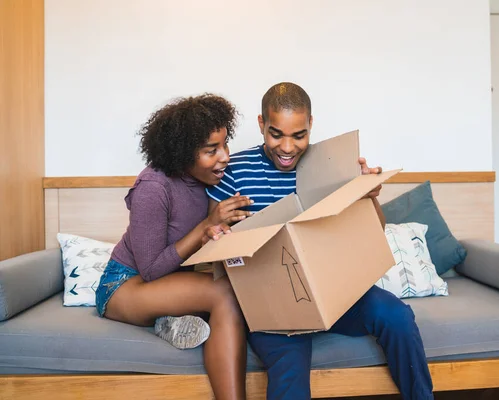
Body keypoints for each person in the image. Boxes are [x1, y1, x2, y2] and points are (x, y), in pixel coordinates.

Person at [206, 82, 434, 400]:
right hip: (272, 302)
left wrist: (365, 194)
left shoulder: (331, 165)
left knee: (397, 316)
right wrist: (220, 231)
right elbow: (214, 249)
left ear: (311, 125)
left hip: (334, 289)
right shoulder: (232, 172)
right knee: (290, 363)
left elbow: (375, 230)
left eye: (299, 135)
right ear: (261, 124)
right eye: (276, 134)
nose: (287, 147)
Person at [96, 94, 252, 400]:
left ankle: (168, 322)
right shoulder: (153, 188)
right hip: (125, 285)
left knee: (237, 284)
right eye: (211, 150)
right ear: (183, 153)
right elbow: (151, 270)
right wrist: (204, 227)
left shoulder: (211, 180)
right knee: (226, 294)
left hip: (170, 282)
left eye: (225, 145)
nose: (224, 157)